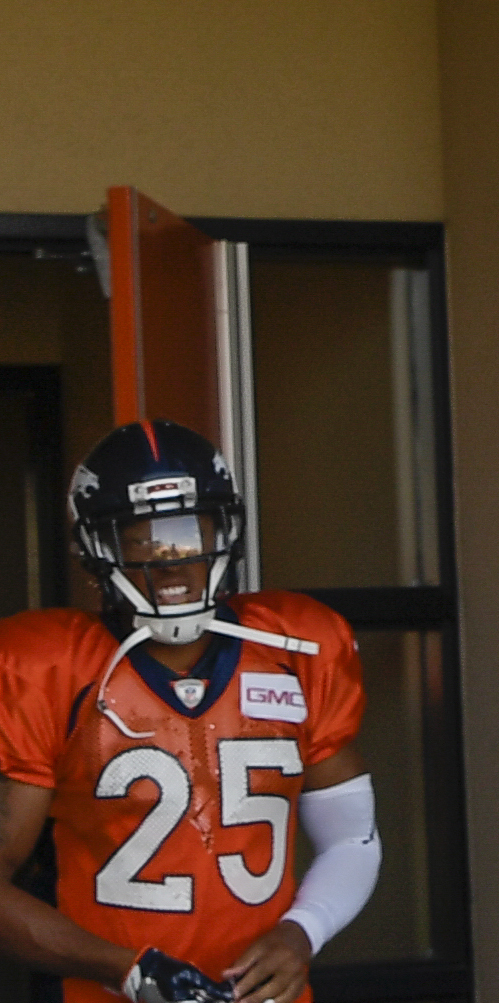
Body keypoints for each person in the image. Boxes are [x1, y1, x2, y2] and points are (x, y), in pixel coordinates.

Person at [0, 420, 382, 1003]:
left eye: (188, 530)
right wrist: (123, 969)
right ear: (100, 549)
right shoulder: (51, 667)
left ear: (223, 531)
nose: (171, 558)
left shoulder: (297, 647)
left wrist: (303, 932)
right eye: (142, 537)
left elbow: (352, 839)